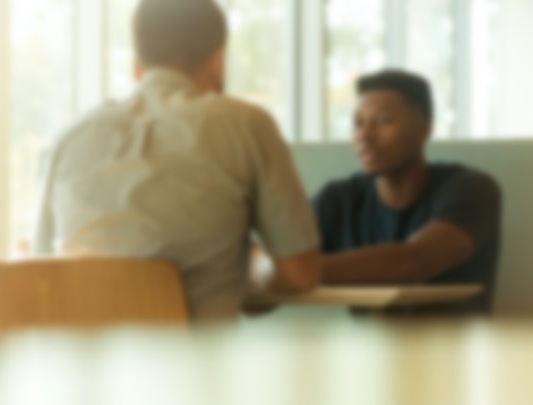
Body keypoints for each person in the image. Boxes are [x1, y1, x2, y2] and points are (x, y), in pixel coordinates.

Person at [32, 0, 321, 322]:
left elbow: (41, 271)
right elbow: (299, 275)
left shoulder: (70, 136)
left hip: (79, 367)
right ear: (218, 62)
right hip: (195, 367)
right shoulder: (246, 125)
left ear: (137, 67)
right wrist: (256, 268)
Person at [314, 69, 502, 313]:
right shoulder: (339, 199)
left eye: (383, 120)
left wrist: (294, 271)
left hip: (454, 348)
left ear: (423, 130)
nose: (364, 135)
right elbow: (275, 255)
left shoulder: (471, 189)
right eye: (358, 123)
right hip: (365, 348)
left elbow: (414, 262)